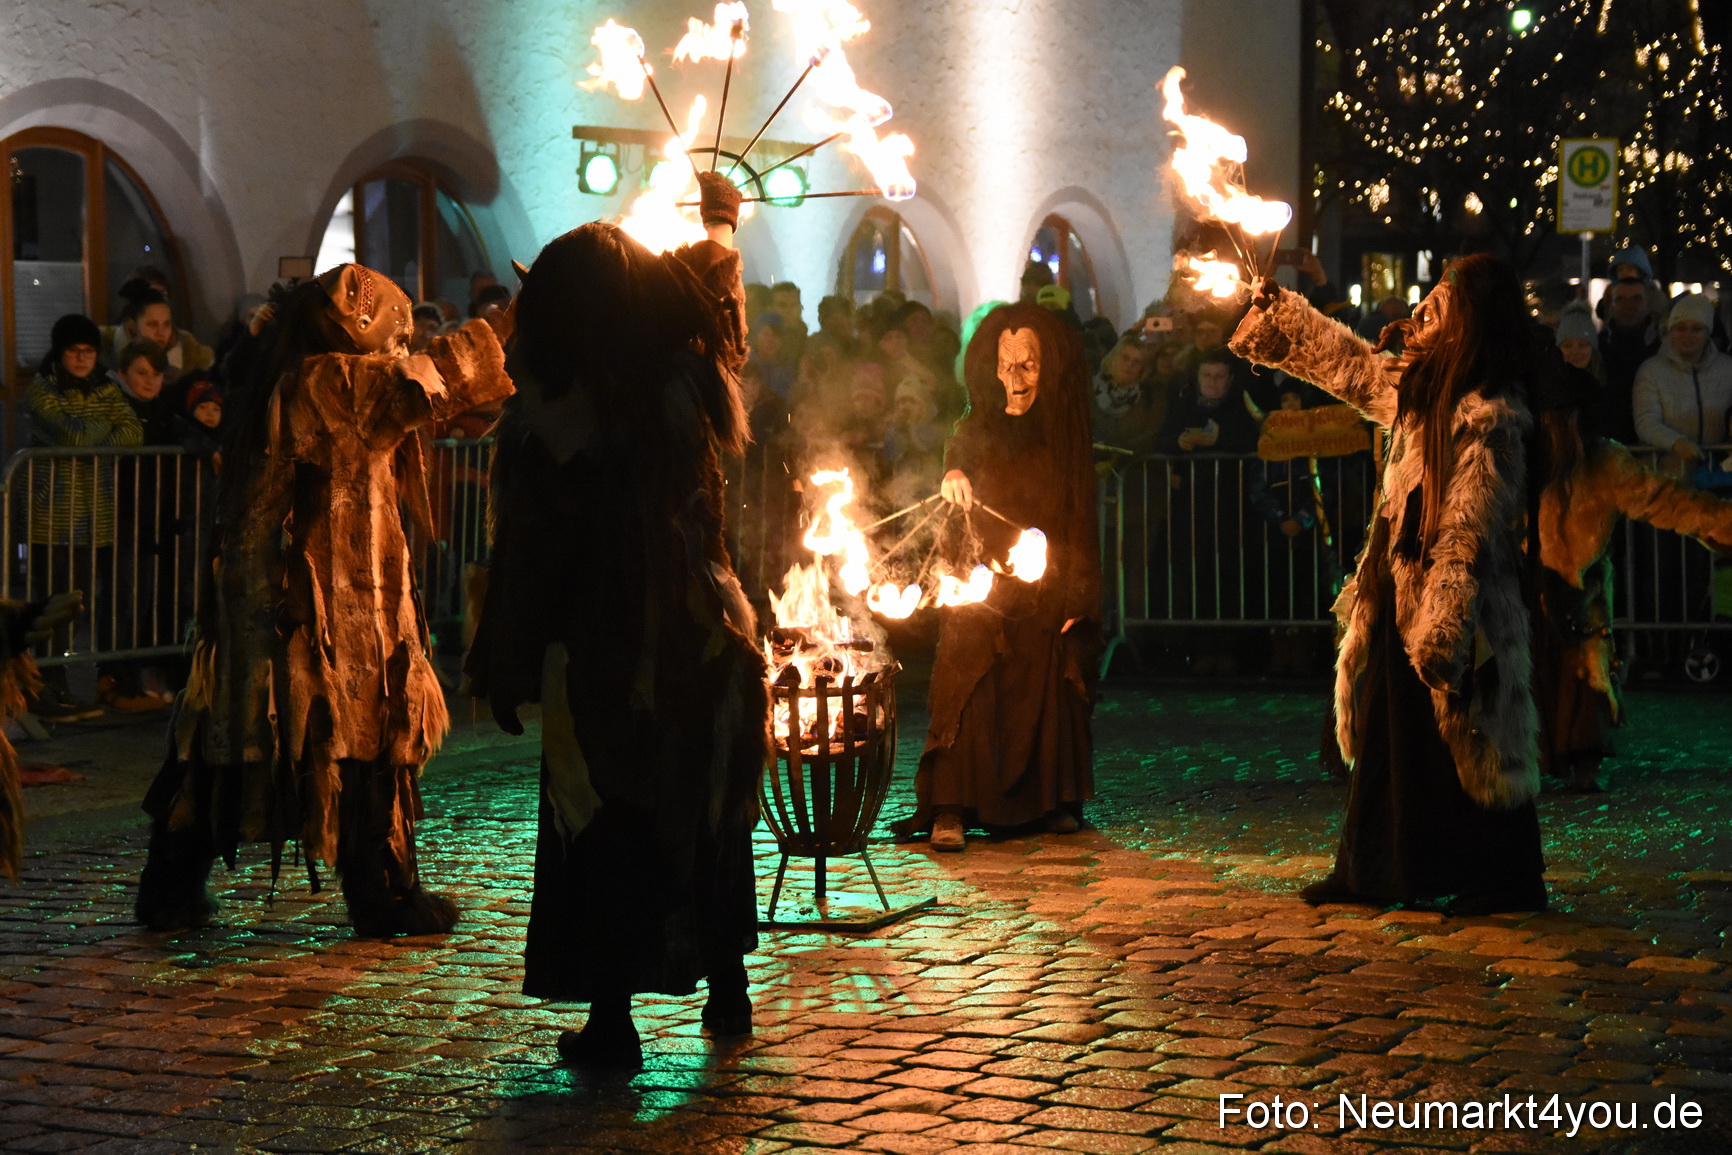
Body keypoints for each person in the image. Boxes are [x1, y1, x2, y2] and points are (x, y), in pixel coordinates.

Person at [465, 172, 767, 1066]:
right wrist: (718, 228)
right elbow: (707, 301)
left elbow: (538, 558)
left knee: (606, 819)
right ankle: (728, 990)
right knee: (703, 813)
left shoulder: (564, 419)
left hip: (614, 656)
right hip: (703, 635)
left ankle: (612, 1019)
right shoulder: (682, 380)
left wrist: (512, 656)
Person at [136, 263, 513, 937]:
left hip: (306, 602)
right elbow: (437, 377)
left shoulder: (300, 379)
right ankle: (378, 891)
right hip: (309, 608)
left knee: (251, 740)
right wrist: (523, 315)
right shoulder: (327, 381)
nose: (399, 349)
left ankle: (178, 885)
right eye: (391, 337)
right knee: (323, 733)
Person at [1229, 255, 1547, 915]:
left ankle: (1507, 879)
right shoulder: (1417, 385)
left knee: (1474, 736)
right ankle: (1373, 871)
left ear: (1472, 322)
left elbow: (1468, 528)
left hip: (1460, 603)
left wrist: (1446, 621)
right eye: (1426, 294)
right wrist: (1281, 307)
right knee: (1390, 737)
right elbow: (1343, 363)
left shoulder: (1490, 411)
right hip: (1400, 585)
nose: (1424, 306)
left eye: (1443, 300)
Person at [895, 303, 1100, 852]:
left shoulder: (1063, 436)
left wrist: (1080, 592)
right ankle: (950, 808)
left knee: (1043, 681)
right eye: (1006, 365)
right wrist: (954, 473)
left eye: (1028, 366)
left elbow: (1080, 514)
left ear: (1046, 369)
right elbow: (958, 453)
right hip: (979, 577)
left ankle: (1045, 801)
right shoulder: (976, 424)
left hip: (1041, 586)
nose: (1015, 378)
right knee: (966, 681)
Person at [1532, 357, 1732, 793]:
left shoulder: (1605, 461)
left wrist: (1720, 522)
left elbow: (1664, 500)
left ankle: (1583, 759)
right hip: (1528, 589)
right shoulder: (1521, 462)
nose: (1556, 426)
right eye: (1550, 416)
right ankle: (1530, 758)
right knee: (1531, 670)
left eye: (1565, 416)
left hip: (1582, 592)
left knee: (1584, 675)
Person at [28, 314, 145, 720]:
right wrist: (102, 430)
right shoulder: (44, 388)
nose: (82, 358)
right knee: (49, 604)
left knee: (77, 605)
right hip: (53, 516)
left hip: (94, 516)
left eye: (89, 351)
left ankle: (60, 684)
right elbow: (69, 434)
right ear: (60, 354)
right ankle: (43, 683)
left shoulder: (107, 387)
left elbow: (133, 431)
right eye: (75, 351)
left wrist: (91, 432)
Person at [1632, 294, 1732, 477]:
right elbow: (1645, 420)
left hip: (1719, 471)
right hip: (1667, 472)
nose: (1688, 335)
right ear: (1670, 330)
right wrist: (1675, 442)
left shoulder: (1727, 369)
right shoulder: (1651, 370)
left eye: (1696, 329)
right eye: (1680, 328)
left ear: (1707, 332)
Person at [105, 284, 213, 395]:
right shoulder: (107, 354)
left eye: (166, 324)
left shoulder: (189, 356)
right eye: (152, 325)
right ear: (133, 326)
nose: (161, 333)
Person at [1597, 278, 1659, 444]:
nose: (1628, 305)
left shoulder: (1663, 348)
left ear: (1648, 305)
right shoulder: (1596, 349)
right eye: (1620, 299)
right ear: (1610, 306)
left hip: (1654, 445)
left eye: (1636, 299)